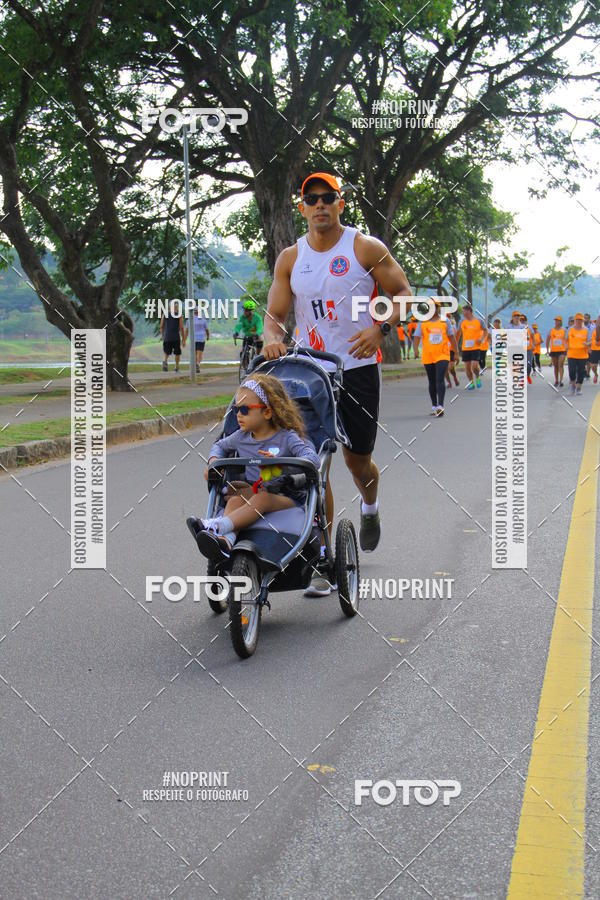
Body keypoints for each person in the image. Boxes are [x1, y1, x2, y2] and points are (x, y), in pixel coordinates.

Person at [262, 170, 412, 595]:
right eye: (311, 199)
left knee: (356, 461)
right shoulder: (291, 257)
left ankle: (370, 506)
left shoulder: (365, 247)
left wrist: (380, 329)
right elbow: (275, 315)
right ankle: (323, 558)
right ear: (302, 208)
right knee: (313, 464)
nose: (320, 205)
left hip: (358, 369)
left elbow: (403, 293)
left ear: (340, 203)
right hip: (310, 373)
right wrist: (272, 337)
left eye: (327, 197)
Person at [187, 374, 319, 560]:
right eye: (236, 409)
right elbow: (219, 445)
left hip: (286, 495)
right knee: (234, 500)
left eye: (245, 409)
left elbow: (312, 458)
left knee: (261, 498)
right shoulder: (241, 437)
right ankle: (226, 542)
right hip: (255, 490)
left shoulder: (287, 437)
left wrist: (281, 461)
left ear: (267, 412)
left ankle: (216, 526)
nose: (238, 415)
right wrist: (213, 462)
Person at [413, 301, 459, 416]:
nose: (434, 310)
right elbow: (417, 336)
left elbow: (451, 337)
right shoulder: (423, 322)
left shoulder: (445, 321)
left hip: (442, 354)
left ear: (438, 308)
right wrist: (416, 350)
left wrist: (456, 352)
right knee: (432, 381)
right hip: (428, 355)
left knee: (439, 379)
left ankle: (440, 406)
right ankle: (434, 405)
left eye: (436, 307)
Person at [458, 304, 484, 390]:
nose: (463, 313)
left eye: (464, 311)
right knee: (467, 367)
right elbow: (458, 333)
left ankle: (477, 377)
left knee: (474, 366)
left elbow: (485, 331)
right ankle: (471, 383)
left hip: (475, 347)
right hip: (465, 348)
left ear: (469, 311)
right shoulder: (462, 322)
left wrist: (481, 338)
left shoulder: (479, 321)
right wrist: (455, 345)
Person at [567, 312, 591, 395]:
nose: (578, 322)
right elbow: (566, 339)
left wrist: (587, 344)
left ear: (582, 321)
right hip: (571, 354)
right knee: (572, 370)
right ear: (575, 320)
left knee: (581, 371)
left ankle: (579, 388)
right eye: (577, 320)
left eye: (580, 320)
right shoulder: (570, 329)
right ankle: (573, 386)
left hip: (582, 355)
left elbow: (590, 341)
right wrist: (566, 346)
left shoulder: (586, 330)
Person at [160, 301, 186, 372]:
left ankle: (165, 362)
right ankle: (176, 367)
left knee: (167, 352)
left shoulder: (165, 314)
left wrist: (163, 336)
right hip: (176, 337)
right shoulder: (179, 315)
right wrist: (183, 339)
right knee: (177, 352)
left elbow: (161, 326)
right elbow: (181, 327)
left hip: (167, 337)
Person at [547, 315, 566, 387]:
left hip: (562, 350)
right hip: (554, 350)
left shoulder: (564, 330)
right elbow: (548, 340)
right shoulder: (551, 330)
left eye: (558, 320)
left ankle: (561, 380)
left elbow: (567, 340)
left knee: (560, 364)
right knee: (556, 366)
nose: (556, 322)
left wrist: (567, 348)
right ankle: (556, 380)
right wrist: (547, 350)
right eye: (555, 320)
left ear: (560, 322)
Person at [193, 303, 210, 373]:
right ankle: (198, 364)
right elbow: (207, 330)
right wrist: (208, 336)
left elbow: (187, 329)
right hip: (201, 338)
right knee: (199, 353)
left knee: (194, 353)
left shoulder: (190, 320)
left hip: (193, 339)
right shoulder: (203, 320)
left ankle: (195, 365)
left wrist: (184, 338)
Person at [445, 313, 460, 388]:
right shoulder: (440, 327)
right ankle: (449, 382)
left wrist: (456, 352)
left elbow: (455, 340)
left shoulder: (453, 328)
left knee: (450, 367)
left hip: (451, 350)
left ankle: (454, 377)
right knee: (445, 368)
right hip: (443, 350)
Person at [520, 314, 534, 384]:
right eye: (520, 320)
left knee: (529, 365)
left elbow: (533, 336)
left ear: (526, 320)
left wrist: (533, 344)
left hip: (529, 349)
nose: (522, 321)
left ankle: (527, 375)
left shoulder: (529, 328)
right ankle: (522, 379)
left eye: (523, 320)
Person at [590, 316, 600, 383]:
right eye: (596, 322)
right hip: (594, 349)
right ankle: (596, 374)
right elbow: (591, 340)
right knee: (593, 366)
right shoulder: (592, 330)